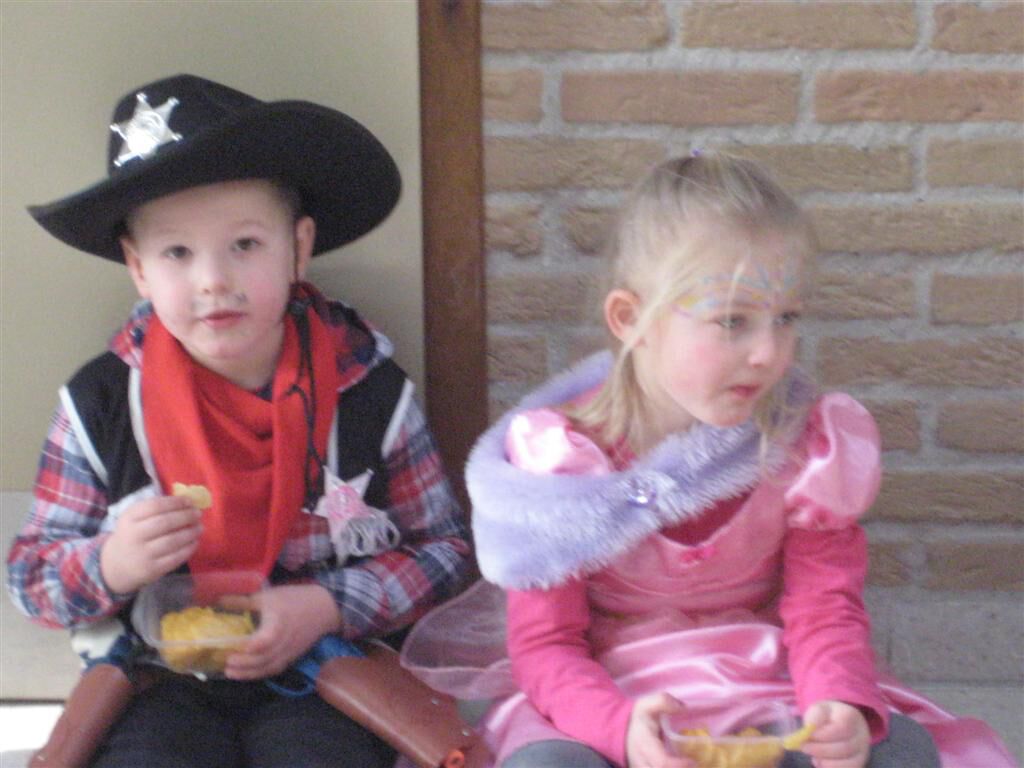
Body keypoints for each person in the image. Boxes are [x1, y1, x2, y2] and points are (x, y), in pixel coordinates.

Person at [400, 154, 1017, 768]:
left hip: (764, 687)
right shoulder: (559, 463)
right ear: (632, 320)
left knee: (899, 751)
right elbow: (546, 645)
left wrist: (837, 702)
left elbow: (824, 609)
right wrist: (619, 730)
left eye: (785, 319)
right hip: (610, 700)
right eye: (731, 321)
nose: (768, 353)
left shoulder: (801, 443)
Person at [6, 74, 472, 768]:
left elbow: (445, 552)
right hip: (158, 677)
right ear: (138, 267)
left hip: (331, 670)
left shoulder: (369, 390)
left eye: (246, 245)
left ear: (299, 247)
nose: (213, 280)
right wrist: (111, 563)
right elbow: (31, 579)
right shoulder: (100, 404)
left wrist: (327, 605)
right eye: (177, 253)